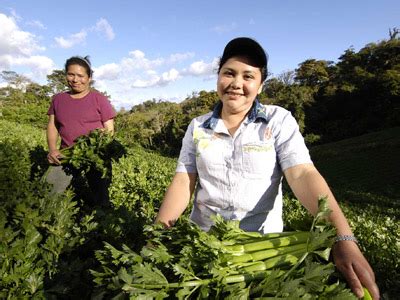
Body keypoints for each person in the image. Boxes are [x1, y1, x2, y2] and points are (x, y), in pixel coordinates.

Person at [155, 37, 380, 299]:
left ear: (260, 85)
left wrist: (343, 237)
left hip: (264, 249)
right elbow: (184, 181)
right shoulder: (198, 126)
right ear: (218, 77)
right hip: (204, 245)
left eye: (248, 76)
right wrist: (158, 233)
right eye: (229, 73)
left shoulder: (278, 120)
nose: (236, 84)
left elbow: (302, 173)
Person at [46, 55, 116, 206]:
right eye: (71, 74)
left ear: (89, 77)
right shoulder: (58, 99)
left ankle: (100, 223)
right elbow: (52, 125)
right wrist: (52, 149)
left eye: (81, 76)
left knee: (101, 197)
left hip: (96, 156)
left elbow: (109, 130)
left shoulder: (99, 99)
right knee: (48, 192)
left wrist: (97, 146)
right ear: (65, 75)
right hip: (66, 153)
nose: (75, 80)